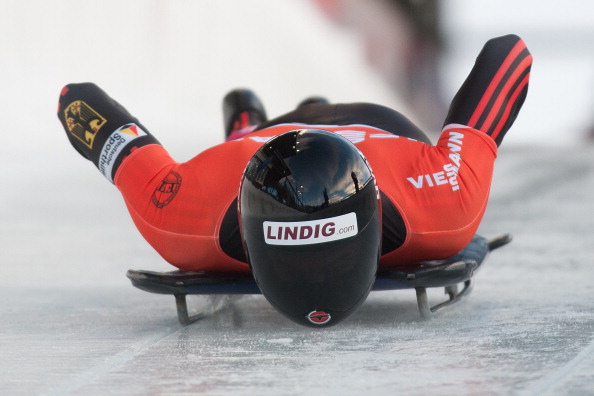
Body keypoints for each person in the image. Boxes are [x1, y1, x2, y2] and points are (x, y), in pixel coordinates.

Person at [57, 34, 532, 327]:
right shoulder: (443, 208)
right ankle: (247, 126)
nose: (318, 282)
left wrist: (78, 112)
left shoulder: (183, 218)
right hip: (313, 138)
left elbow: (80, 103)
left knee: (239, 145)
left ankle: (246, 124)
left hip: (342, 134)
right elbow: (507, 54)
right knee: (242, 147)